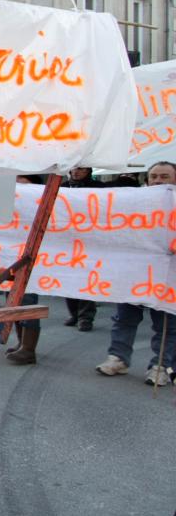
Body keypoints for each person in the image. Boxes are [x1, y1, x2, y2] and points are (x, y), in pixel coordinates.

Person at [95, 161, 176, 387]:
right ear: (147, 180)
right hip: (134, 273)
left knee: (166, 324)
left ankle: (160, 366)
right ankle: (118, 358)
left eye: (165, 177)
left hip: (168, 277)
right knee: (124, 318)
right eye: (154, 177)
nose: (158, 181)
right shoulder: (133, 204)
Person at [5, 175, 48, 365]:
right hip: (13, 257)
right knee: (13, 301)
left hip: (33, 261)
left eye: (24, 183)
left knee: (27, 302)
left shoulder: (41, 204)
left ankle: (29, 349)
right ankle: (21, 342)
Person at [62, 166, 100, 331]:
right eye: (74, 169)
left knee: (86, 278)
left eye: (81, 169)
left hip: (89, 238)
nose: (76, 172)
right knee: (68, 277)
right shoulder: (62, 186)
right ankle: (74, 313)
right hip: (66, 237)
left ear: (89, 171)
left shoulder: (98, 188)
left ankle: (86, 317)